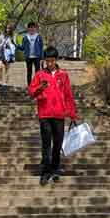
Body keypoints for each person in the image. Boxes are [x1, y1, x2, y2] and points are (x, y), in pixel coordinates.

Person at [28, 46, 77, 185]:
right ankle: (45, 171)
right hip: (44, 113)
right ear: (44, 60)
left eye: (52, 61)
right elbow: (31, 92)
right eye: (47, 61)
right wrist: (40, 88)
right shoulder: (40, 75)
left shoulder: (63, 74)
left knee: (58, 142)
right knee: (46, 143)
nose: (49, 63)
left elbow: (68, 94)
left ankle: (55, 168)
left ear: (56, 60)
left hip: (59, 114)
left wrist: (71, 113)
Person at [0, 24, 17, 89]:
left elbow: (15, 45)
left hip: (8, 53)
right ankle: (0, 81)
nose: (8, 30)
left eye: (9, 28)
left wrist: (10, 45)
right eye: (7, 28)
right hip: (1, 53)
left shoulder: (13, 36)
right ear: (5, 29)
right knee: (0, 67)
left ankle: (6, 83)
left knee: (7, 68)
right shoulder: (2, 36)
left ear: (11, 29)